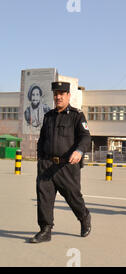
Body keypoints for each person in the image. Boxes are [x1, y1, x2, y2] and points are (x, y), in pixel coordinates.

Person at [30, 81, 91, 243]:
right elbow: (42, 140)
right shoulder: (48, 116)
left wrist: (79, 151)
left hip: (67, 166)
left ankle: (84, 217)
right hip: (46, 165)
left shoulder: (77, 116)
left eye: (61, 94)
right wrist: (40, 159)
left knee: (73, 196)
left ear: (68, 96)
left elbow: (86, 137)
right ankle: (45, 229)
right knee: (44, 197)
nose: (58, 97)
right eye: (56, 94)